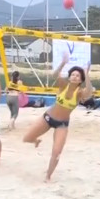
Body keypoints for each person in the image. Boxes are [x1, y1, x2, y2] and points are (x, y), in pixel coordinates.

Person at [22, 53, 93, 182]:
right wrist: (63, 63)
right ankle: (36, 141)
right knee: (27, 138)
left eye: (78, 75)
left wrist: (87, 74)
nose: (75, 76)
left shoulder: (79, 93)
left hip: (62, 124)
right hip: (48, 118)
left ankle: (48, 176)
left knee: (56, 152)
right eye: (73, 74)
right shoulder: (63, 85)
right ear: (70, 76)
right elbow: (54, 75)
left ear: (80, 80)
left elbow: (89, 92)